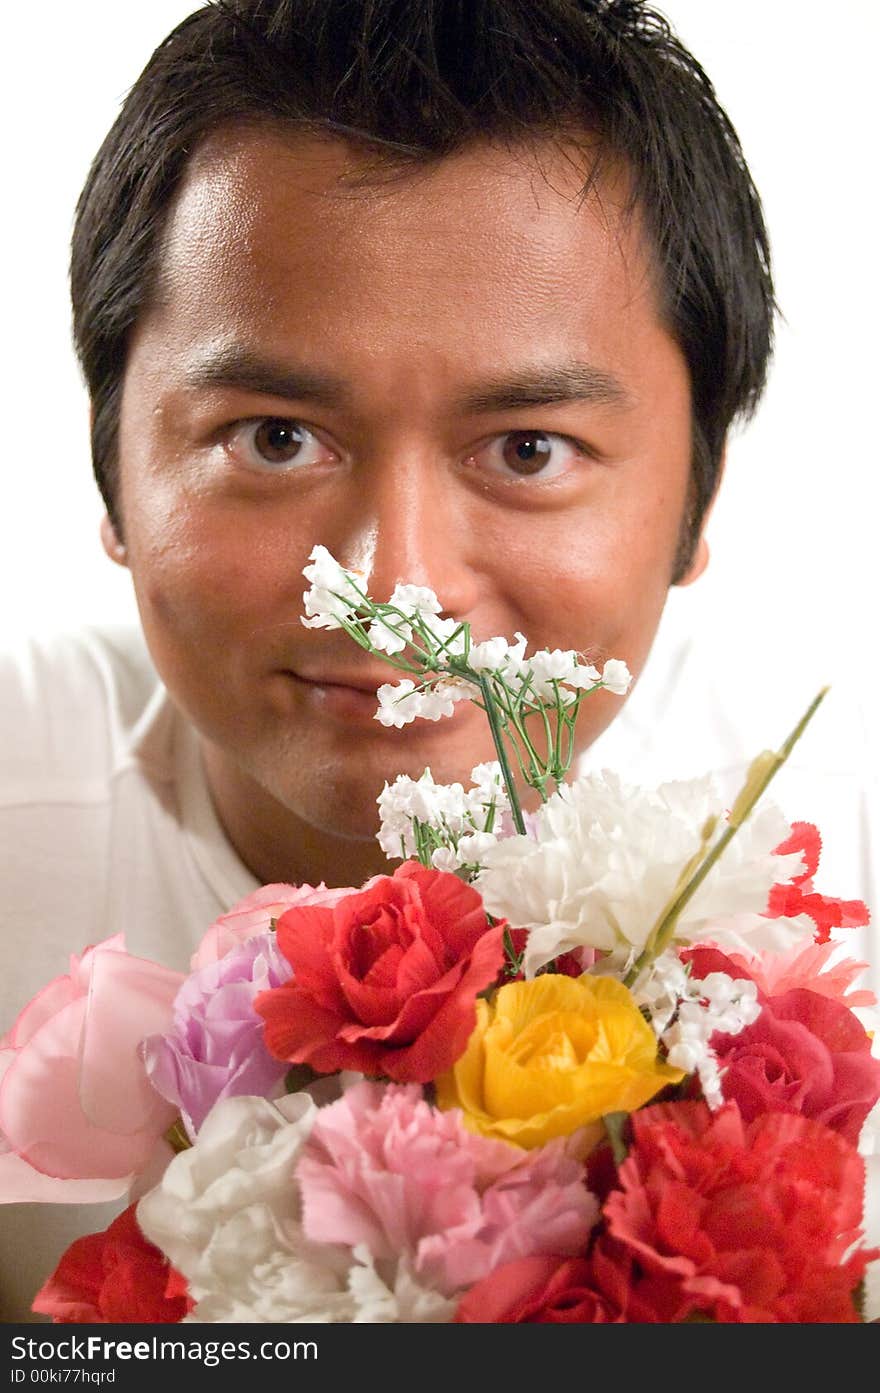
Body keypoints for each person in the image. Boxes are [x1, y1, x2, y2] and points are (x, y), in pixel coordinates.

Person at [0, 0, 875, 1323]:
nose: (399, 588)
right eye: (275, 438)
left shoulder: (846, 852)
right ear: (115, 473)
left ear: (696, 504)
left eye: (527, 449)